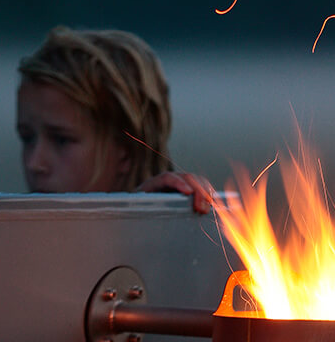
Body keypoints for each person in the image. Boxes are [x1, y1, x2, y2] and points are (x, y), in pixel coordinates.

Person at [16, 27, 211, 213]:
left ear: (126, 149)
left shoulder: (174, 240)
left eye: (61, 140)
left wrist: (140, 221)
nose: (35, 163)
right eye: (27, 138)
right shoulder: (9, 239)